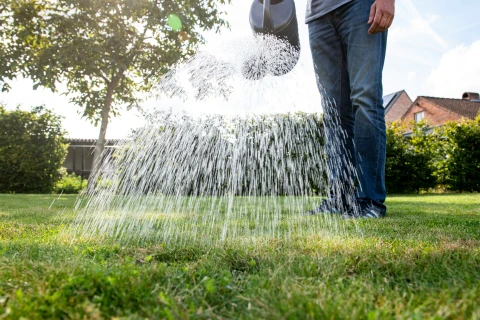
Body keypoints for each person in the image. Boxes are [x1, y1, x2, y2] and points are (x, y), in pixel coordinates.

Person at [306, 0, 395, 218]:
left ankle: (370, 200)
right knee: (334, 112)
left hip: (360, 5)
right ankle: (340, 198)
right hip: (318, 15)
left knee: (365, 98)